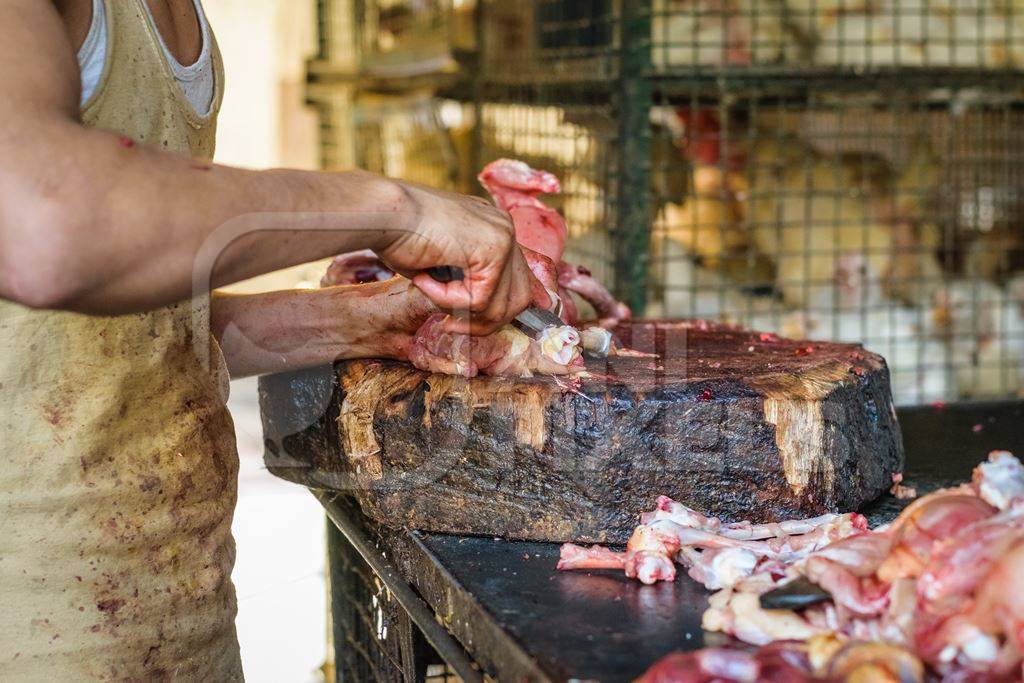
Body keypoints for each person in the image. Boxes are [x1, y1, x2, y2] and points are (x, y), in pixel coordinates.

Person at [0, 0, 543, 679]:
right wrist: (391, 210)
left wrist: (372, 319)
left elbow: (148, 335)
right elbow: (40, 227)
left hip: (178, 622)